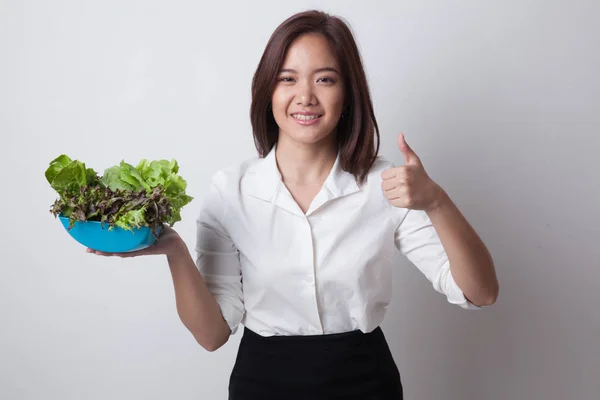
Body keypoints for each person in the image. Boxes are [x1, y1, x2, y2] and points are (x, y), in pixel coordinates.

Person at [88, 9, 499, 400]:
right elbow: (212, 335)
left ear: (348, 94)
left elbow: (479, 292)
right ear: (267, 90)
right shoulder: (231, 190)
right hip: (262, 383)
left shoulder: (386, 184)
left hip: (365, 383)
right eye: (288, 79)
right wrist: (174, 251)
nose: (305, 96)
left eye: (325, 79)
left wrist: (436, 201)